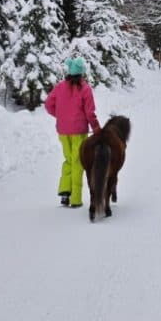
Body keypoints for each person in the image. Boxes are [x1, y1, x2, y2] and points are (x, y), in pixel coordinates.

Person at [44, 57, 100, 209]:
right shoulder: (85, 89)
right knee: (77, 162)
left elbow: (48, 105)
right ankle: (75, 199)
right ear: (81, 73)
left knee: (68, 160)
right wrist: (96, 128)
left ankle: (64, 192)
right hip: (79, 132)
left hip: (62, 131)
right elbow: (90, 113)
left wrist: (61, 116)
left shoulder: (60, 87)